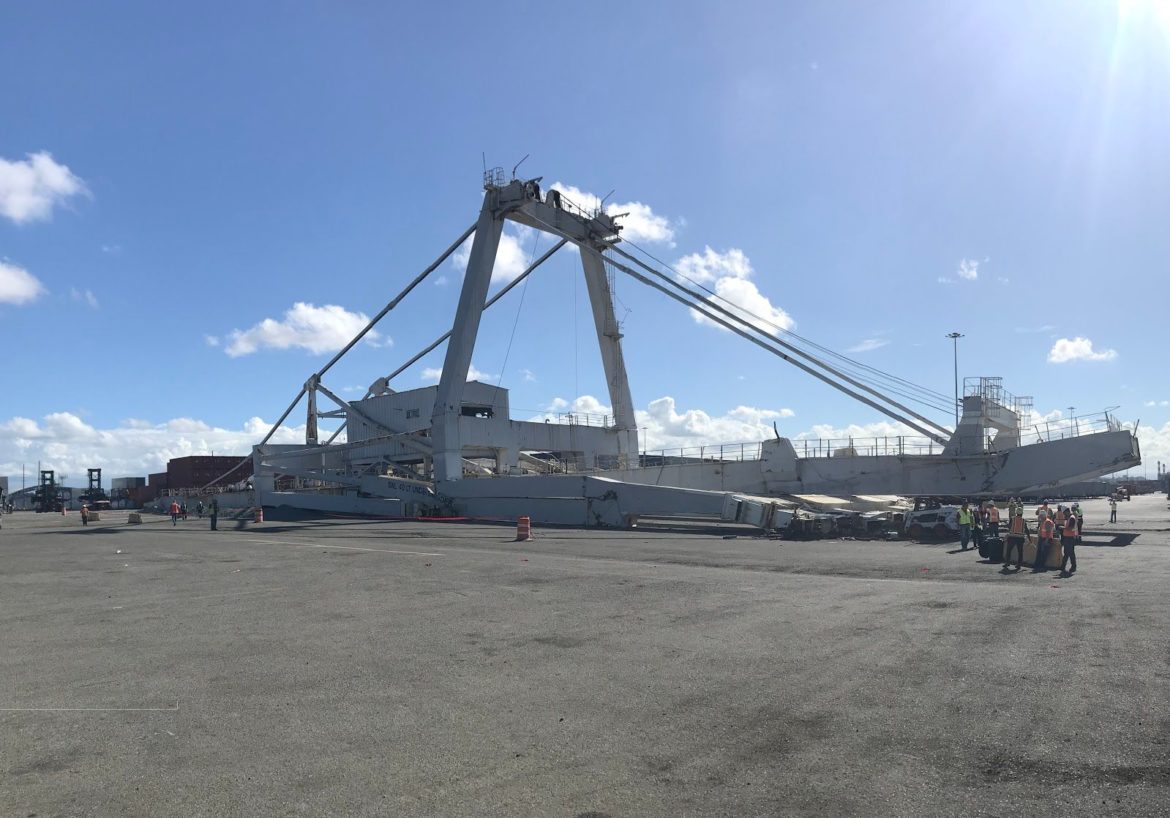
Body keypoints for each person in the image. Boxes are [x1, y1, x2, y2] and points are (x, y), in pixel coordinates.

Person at [1060, 507, 1079, 576]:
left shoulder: (1071, 518)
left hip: (1070, 538)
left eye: (1064, 513)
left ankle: (1073, 566)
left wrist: (1063, 528)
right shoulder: (1069, 518)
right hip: (1067, 537)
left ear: (1067, 511)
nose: (1064, 514)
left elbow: (1070, 528)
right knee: (1066, 553)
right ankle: (1063, 566)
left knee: (1070, 553)